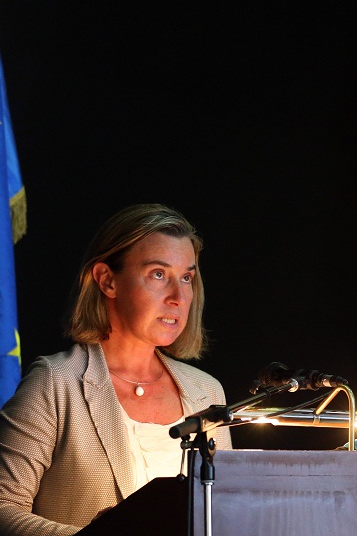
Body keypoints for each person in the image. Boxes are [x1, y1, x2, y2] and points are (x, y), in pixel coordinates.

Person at [0, 203, 233, 535]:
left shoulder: (208, 392)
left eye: (187, 278)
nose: (178, 296)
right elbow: (3, 509)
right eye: (158, 274)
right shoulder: (56, 383)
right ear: (107, 280)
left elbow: (227, 513)